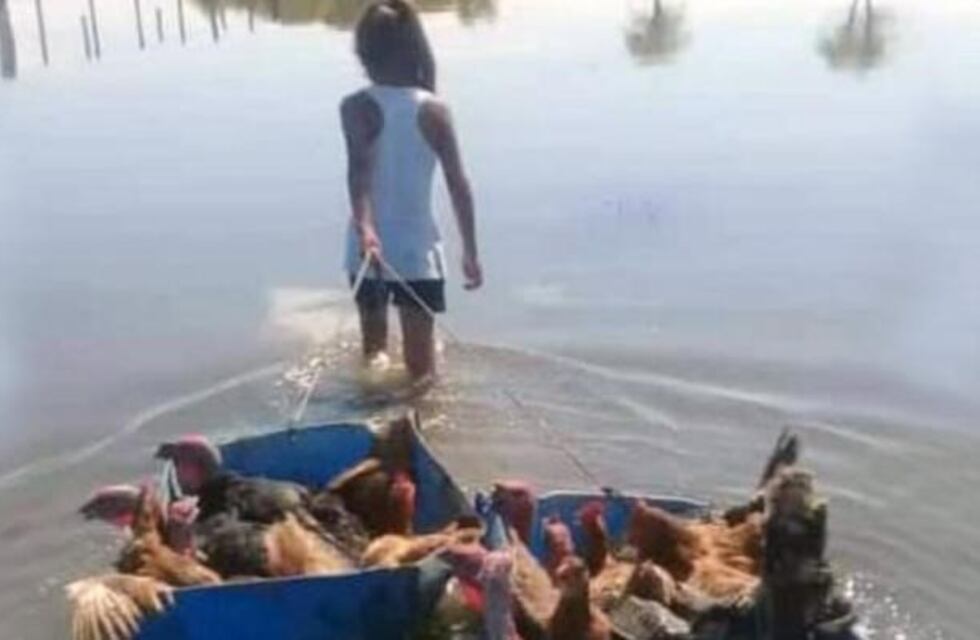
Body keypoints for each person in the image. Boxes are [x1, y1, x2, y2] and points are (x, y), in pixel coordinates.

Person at [341, 0, 481, 382]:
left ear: (363, 53)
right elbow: (459, 184)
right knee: (422, 372)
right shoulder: (435, 110)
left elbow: (359, 176)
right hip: (417, 253)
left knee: (374, 357)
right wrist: (470, 251)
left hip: (366, 254)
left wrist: (366, 229)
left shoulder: (355, 107)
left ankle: (376, 424)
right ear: (413, 50)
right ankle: (412, 428)